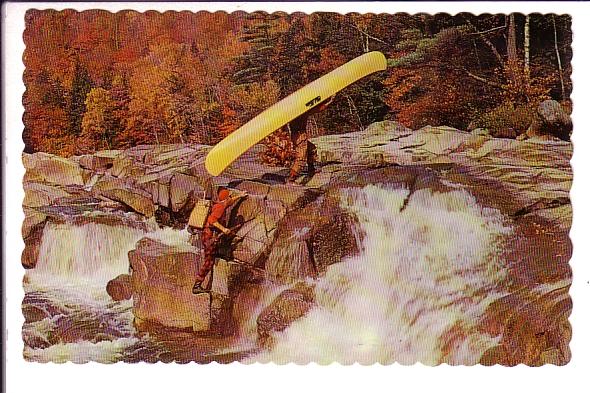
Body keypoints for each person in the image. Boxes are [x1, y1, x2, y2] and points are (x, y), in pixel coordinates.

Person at [192, 187, 245, 294]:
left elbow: (230, 202)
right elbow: (212, 220)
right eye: (229, 196)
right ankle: (197, 285)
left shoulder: (221, 203)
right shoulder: (220, 207)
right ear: (226, 197)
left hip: (208, 234)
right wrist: (223, 229)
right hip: (209, 236)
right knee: (209, 261)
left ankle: (219, 253)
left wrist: (240, 196)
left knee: (214, 252)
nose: (230, 197)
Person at [287, 96, 334, 183]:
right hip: (300, 135)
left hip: (296, 135)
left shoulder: (292, 112)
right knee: (301, 158)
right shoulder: (300, 112)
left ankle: (311, 170)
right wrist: (329, 101)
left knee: (311, 149)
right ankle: (291, 179)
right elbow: (318, 109)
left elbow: (316, 109)